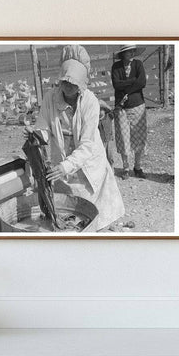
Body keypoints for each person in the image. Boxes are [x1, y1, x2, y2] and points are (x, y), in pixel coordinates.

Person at [24, 45, 125, 231]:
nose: (69, 87)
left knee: (92, 212)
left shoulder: (90, 102)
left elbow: (87, 144)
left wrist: (65, 166)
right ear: (60, 80)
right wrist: (36, 134)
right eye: (65, 82)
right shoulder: (49, 99)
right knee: (68, 210)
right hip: (62, 161)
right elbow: (44, 127)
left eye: (74, 83)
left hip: (87, 162)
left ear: (81, 84)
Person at [111, 45, 147, 179]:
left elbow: (142, 82)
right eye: (128, 51)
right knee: (123, 138)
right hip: (122, 108)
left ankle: (137, 167)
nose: (131, 53)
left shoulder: (138, 64)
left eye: (133, 51)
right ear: (123, 54)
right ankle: (126, 168)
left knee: (139, 137)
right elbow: (116, 84)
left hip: (138, 105)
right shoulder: (116, 67)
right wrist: (133, 81)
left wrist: (126, 90)